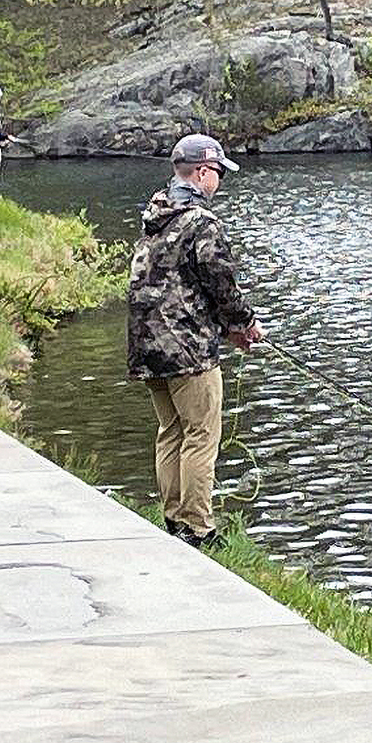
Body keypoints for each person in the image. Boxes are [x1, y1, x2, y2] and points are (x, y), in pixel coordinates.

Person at [126, 134, 264, 548]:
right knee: (201, 434)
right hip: (188, 349)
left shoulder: (155, 215)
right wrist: (244, 324)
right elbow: (221, 283)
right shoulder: (201, 222)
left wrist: (227, 328)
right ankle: (199, 528)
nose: (219, 180)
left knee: (171, 430)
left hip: (147, 346)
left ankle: (173, 520)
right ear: (203, 172)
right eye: (218, 172)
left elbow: (178, 286)